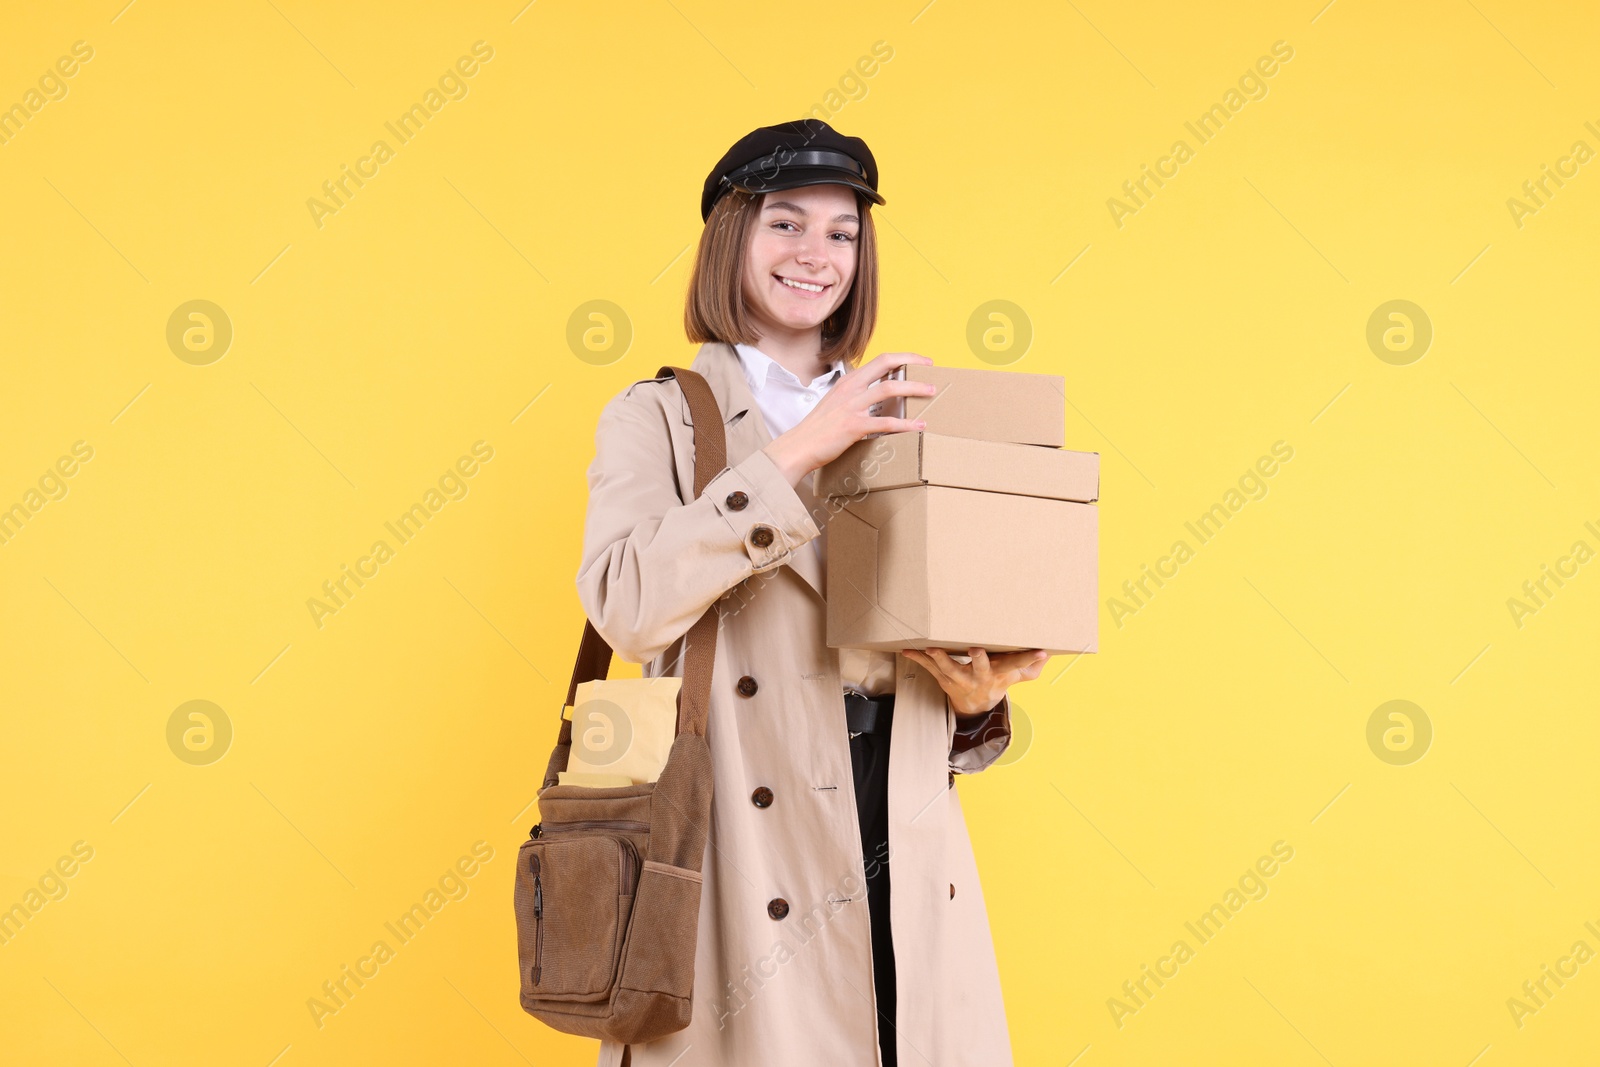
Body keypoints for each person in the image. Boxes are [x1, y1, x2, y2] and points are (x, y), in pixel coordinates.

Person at [577, 118, 1051, 1067]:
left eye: (843, 233)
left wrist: (974, 699)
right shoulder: (661, 415)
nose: (816, 255)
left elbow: (912, 638)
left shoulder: (916, 415)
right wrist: (800, 448)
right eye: (785, 224)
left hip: (902, 839)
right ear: (731, 239)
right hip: (750, 855)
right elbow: (626, 604)